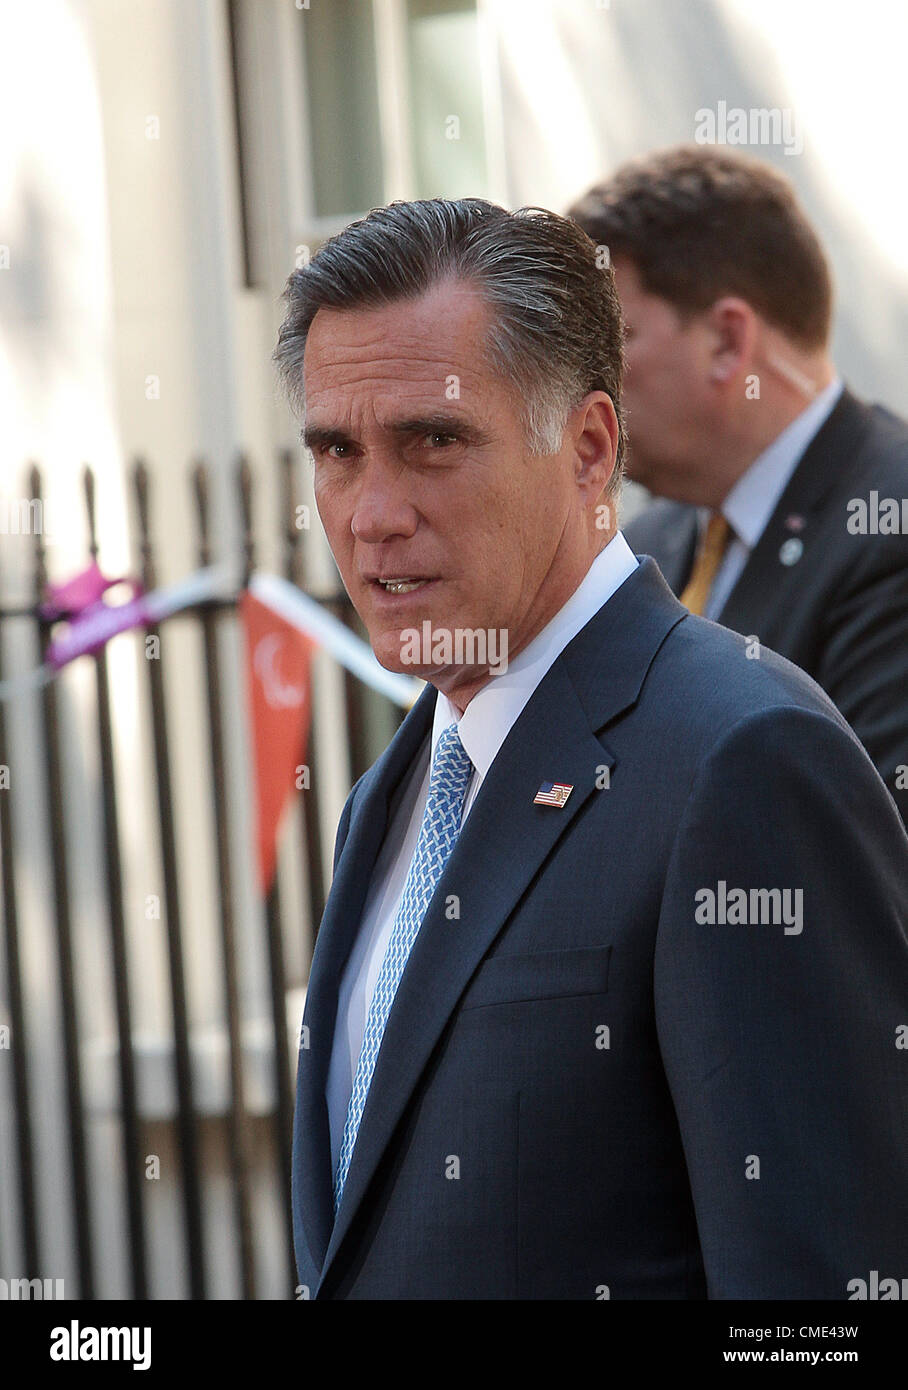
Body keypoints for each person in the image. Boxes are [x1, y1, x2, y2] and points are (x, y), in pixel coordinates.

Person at [274, 197, 908, 1300]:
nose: (371, 512)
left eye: (433, 441)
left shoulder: (744, 758)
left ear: (588, 448)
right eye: (336, 450)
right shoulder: (394, 789)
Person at [570, 146, 908, 825]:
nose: (581, 382)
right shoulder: (642, 543)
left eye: (610, 341)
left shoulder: (888, 526)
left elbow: (861, 850)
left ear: (727, 341)